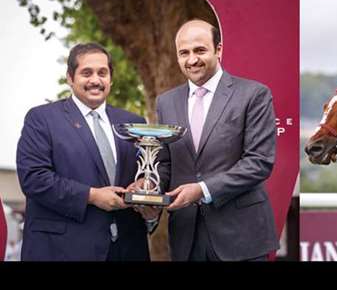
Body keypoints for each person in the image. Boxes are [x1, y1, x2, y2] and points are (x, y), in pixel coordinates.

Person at [145, 19, 278, 261]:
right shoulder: (166, 102)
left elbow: (259, 162)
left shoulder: (254, 94)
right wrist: (150, 188)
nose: (192, 59)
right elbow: (165, 163)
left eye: (200, 50)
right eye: (184, 53)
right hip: (186, 238)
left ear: (219, 49)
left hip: (241, 238)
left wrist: (202, 190)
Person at [16, 43, 151, 261]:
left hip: (127, 249)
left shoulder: (134, 123)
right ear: (70, 77)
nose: (95, 80)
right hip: (64, 250)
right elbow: (33, 178)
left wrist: (145, 189)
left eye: (102, 73)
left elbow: (148, 173)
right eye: (86, 73)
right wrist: (92, 196)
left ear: (111, 79)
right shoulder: (42, 119)